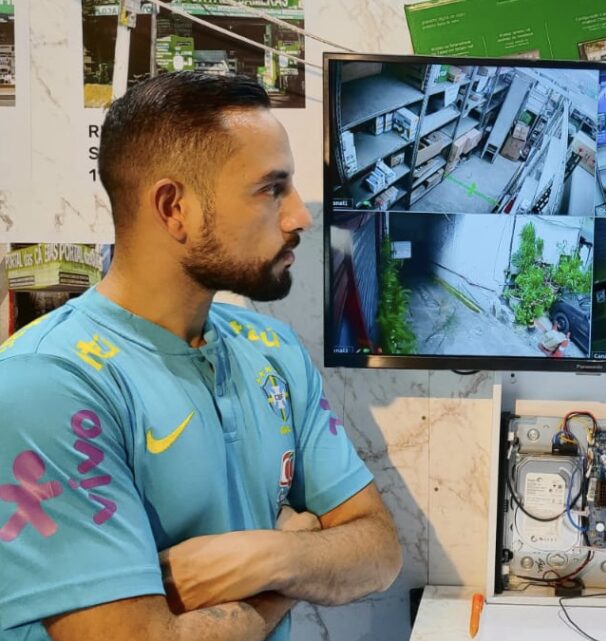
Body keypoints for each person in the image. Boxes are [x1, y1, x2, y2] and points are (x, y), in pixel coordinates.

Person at [0, 72, 402, 641]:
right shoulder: (46, 384)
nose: (300, 217)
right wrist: (303, 551)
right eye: (271, 189)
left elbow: (380, 551)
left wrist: (266, 558)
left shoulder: (272, 350)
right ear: (174, 208)